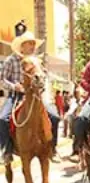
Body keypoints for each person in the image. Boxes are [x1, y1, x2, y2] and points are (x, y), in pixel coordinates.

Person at [0, 31, 61, 164]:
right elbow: (2, 79)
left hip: (35, 95)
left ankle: (53, 148)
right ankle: (7, 150)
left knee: (54, 116)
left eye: (34, 44)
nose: (33, 46)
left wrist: (42, 84)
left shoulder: (37, 61)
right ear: (22, 46)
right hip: (16, 95)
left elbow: (44, 75)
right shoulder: (11, 60)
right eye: (30, 44)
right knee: (3, 118)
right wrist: (14, 86)